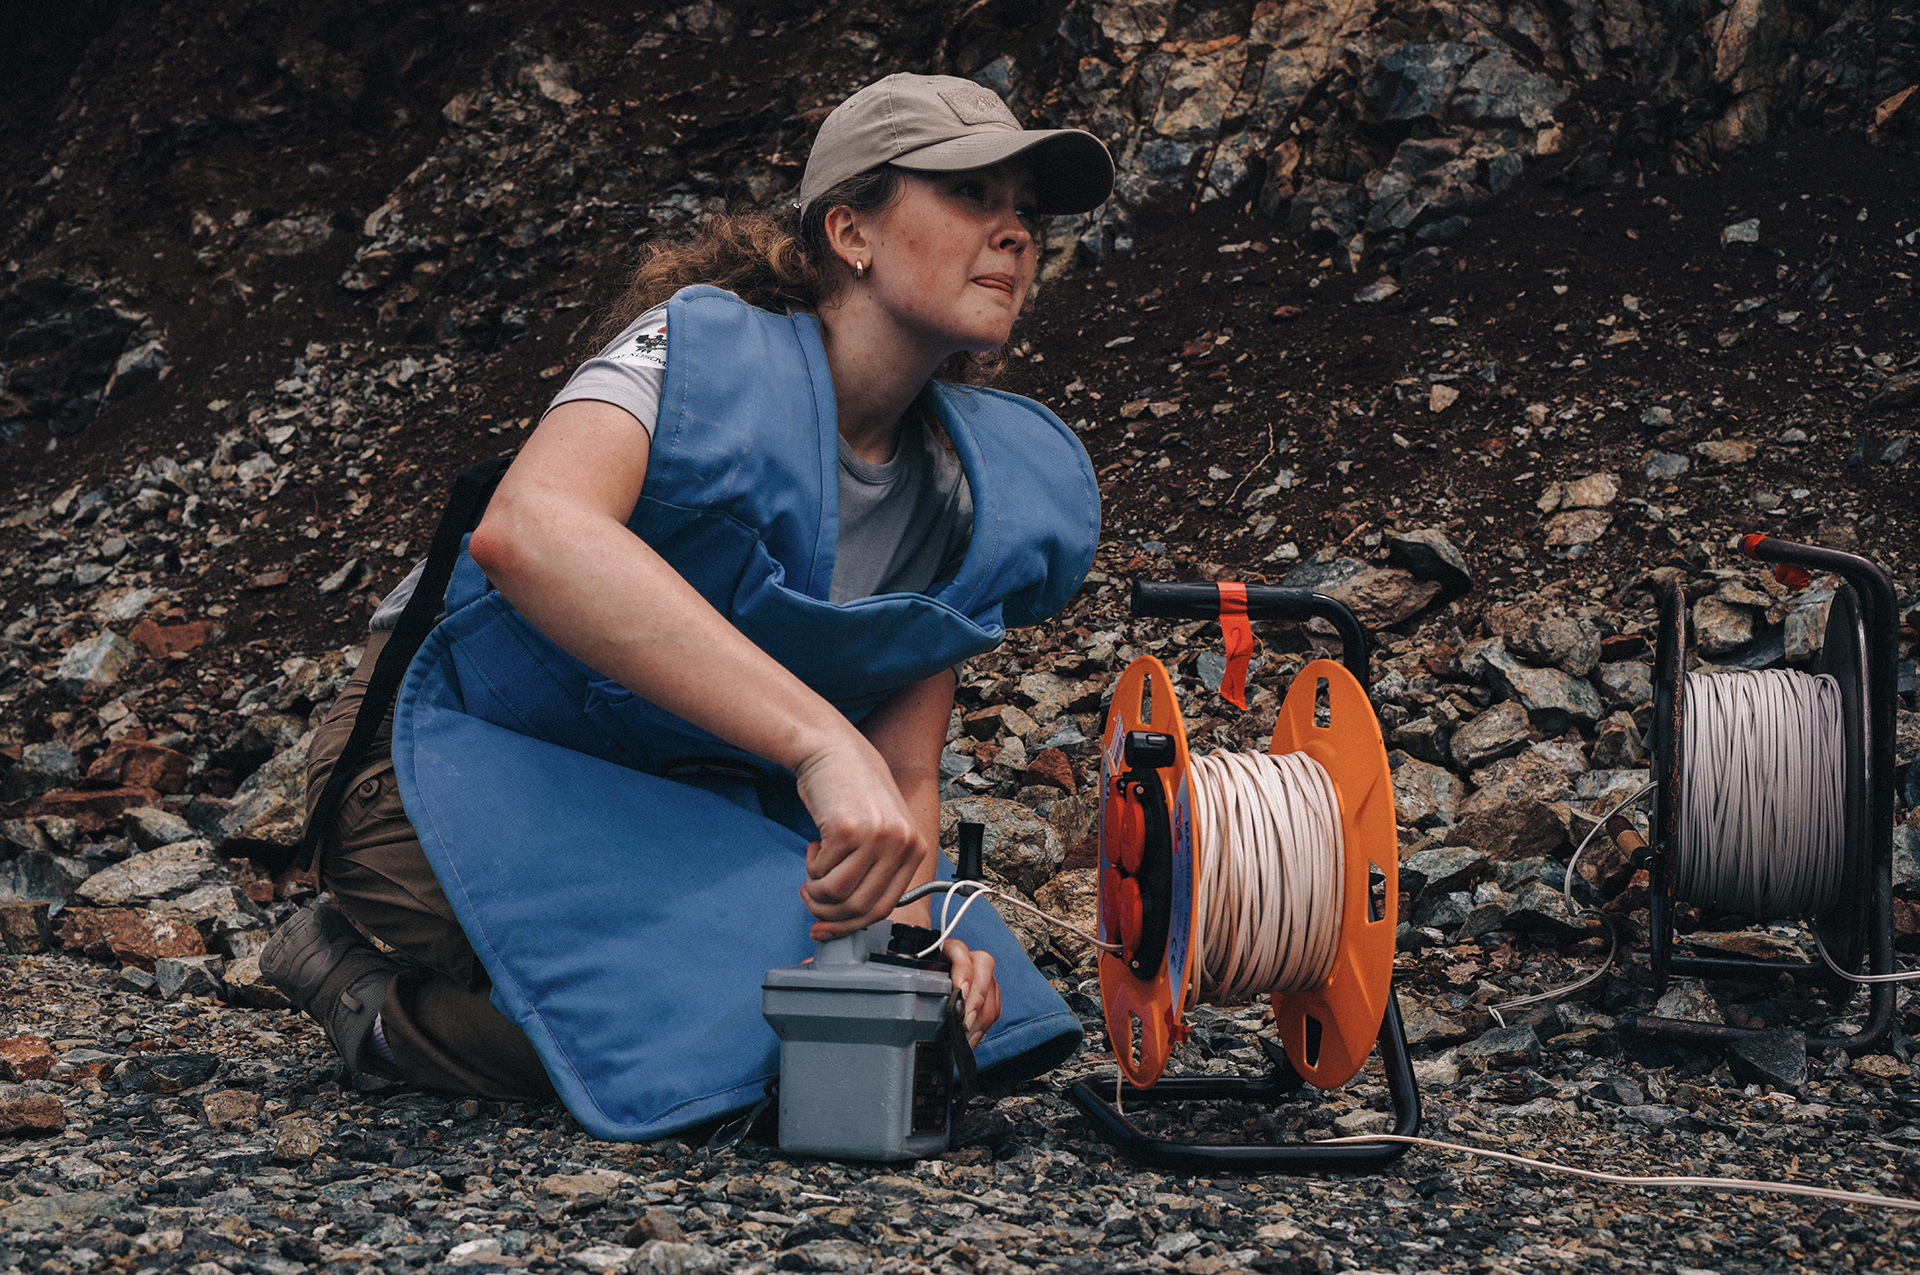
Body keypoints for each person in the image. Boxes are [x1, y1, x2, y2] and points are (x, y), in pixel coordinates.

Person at [263, 73, 1112, 1140]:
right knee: (724, 1037)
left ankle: (661, 953)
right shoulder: (692, 355)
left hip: (677, 803)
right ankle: (370, 1006)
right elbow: (528, 531)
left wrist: (906, 933)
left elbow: (897, 771)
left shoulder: (962, 485)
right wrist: (815, 747)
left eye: (1027, 211)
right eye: (971, 196)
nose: (1015, 234)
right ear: (849, 230)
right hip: (441, 762)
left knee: (958, 1024)